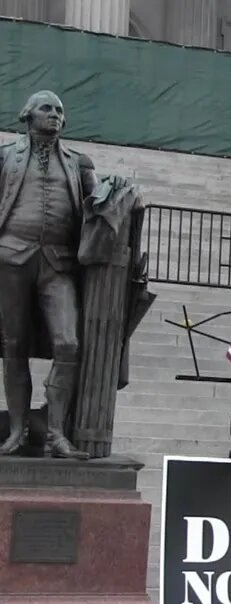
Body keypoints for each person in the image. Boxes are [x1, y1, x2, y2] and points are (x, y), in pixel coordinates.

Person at [0, 90, 95, 459]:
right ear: (27, 115)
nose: (54, 115)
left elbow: (96, 203)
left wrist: (113, 194)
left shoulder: (77, 162)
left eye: (59, 110)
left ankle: (56, 433)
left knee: (68, 343)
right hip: (11, 256)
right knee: (13, 345)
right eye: (46, 108)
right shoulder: (5, 156)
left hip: (58, 262)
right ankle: (17, 432)